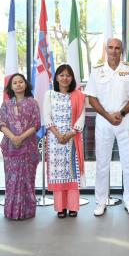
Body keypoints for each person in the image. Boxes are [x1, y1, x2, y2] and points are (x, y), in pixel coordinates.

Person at [85, 38, 129, 217]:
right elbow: (92, 98)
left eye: (117, 48)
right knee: (102, 163)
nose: (113, 51)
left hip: (125, 119)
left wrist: (122, 112)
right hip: (104, 120)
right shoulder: (97, 70)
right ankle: (101, 202)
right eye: (110, 47)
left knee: (128, 163)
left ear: (122, 50)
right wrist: (108, 115)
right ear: (106, 49)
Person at [43, 64, 86, 219]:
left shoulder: (79, 95)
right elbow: (46, 117)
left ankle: (73, 206)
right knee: (57, 175)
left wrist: (68, 135)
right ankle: (60, 208)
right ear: (56, 77)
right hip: (55, 142)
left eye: (68, 75)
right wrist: (58, 135)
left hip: (72, 140)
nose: (65, 78)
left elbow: (81, 117)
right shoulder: (49, 94)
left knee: (72, 174)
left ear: (72, 78)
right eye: (61, 75)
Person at [0, 74, 41, 220]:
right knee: (12, 179)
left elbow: (36, 124)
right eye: (14, 82)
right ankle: (12, 211)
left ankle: (27, 211)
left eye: (20, 82)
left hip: (28, 146)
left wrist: (21, 138)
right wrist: (13, 138)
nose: (18, 84)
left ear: (26, 84)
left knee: (28, 179)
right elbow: (1, 124)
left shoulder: (33, 103)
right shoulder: (6, 104)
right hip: (10, 147)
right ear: (10, 87)